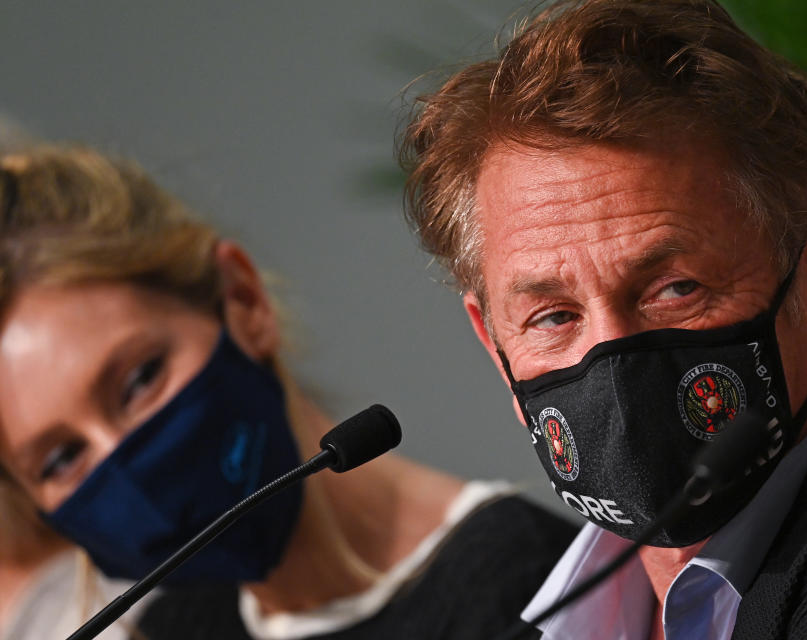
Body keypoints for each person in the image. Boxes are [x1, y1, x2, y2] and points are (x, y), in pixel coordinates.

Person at [399, 0, 807, 638]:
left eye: (675, 288)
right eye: (553, 316)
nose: (611, 357)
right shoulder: (545, 610)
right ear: (495, 345)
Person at [0, 144, 576, 639]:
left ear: (242, 299)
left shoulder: (535, 592)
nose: (124, 465)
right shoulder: (177, 625)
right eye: (61, 457)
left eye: (139, 380)